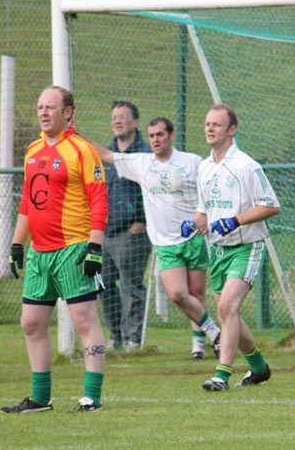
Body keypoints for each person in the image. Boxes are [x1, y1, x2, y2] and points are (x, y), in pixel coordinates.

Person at [1, 85, 108, 414]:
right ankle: (40, 399)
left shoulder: (81, 149)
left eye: (51, 107)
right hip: (39, 253)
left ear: (68, 112)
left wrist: (94, 247)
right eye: (40, 107)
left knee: (84, 320)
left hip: (73, 250)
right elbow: (26, 202)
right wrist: (18, 242)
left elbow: (99, 199)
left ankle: (91, 397)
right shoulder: (33, 150)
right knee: (31, 323)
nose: (44, 113)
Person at [83, 117, 221, 360]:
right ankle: (215, 332)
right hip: (165, 243)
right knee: (178, 294)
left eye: (160, 135)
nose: (156, 140)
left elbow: (212, 190)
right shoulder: (142, 162)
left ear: (170, 135)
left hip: (193, 238)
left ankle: (199, 345)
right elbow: (106, 155)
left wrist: (207, 217)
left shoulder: (191, 162)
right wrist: (74, 133)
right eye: (152, 136)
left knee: (197, 294)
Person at [181, 104, 280, 391]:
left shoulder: (246, 165)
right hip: (219, 250)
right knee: (228, 313)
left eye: (217, 124)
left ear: (232, 130)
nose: (209, 129)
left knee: (226, 307)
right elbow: (204, 212)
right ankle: (259, 367)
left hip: (247, 246)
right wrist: (193, 223)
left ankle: (221, 375)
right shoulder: (204, 167)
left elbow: (271, 205)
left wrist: (236, 221)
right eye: (207, 124)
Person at [99, 100, 152, 351]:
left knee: (131, 286)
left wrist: (142, 220)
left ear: (136, 122)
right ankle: (116, 335)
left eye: (123, 117)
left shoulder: (145, 153)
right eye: (114, 118)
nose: (118, 121)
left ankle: (133, 339)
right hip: (104, 233)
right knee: (103, 283)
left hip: (132, 233)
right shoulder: (105, 153)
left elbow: (154, 190)